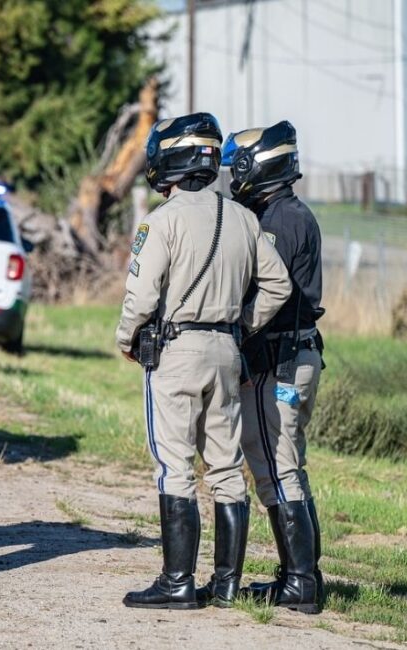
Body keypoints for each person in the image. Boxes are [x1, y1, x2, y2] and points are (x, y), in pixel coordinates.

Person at [115, 112, 291, 610]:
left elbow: (141, 296)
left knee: (175, 465)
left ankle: (177, 583)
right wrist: (242, 323)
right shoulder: (243, 217)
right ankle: (227, 585)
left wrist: (127, 338)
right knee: (226, 467)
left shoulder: (161, 220)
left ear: (169, 160)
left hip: (177, 350)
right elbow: (278, 284)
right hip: (227, 350)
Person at [223, 121, 326, 614]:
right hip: (294, 355)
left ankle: (300, 583)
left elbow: (266, 288)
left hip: (281, 360)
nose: (233, 177)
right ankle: (300, 575)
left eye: (239, 167)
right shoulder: (284, 212)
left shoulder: (280, 220)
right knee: (286, 466)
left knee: (277, 467)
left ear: (259, 166)